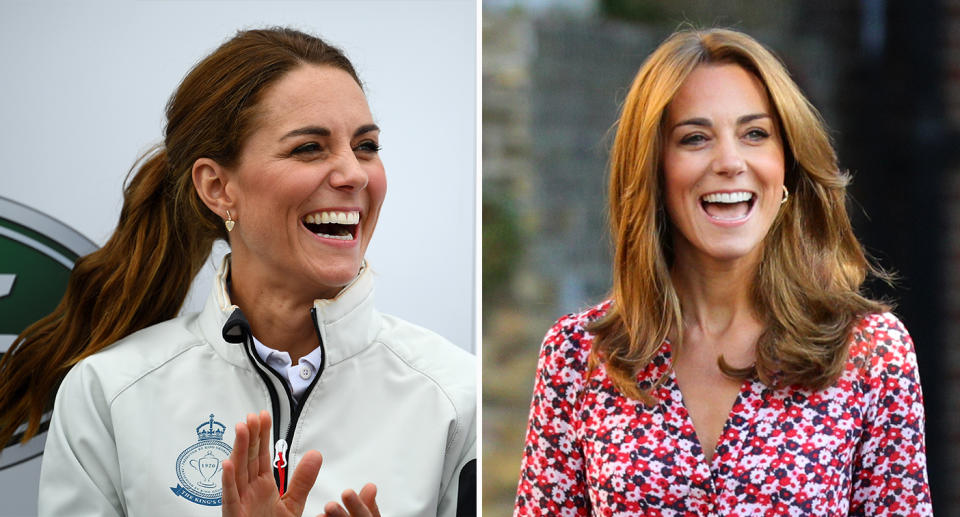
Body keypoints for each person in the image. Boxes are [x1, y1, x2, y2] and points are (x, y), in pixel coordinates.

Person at [0, 28, 475, 517]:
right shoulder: (109, 393)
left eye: (366, 146)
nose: (354, 173)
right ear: (218, 187)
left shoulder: (456, 396)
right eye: (309, 147)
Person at [514, 28, 931, 516]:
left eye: (755, 134)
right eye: (695, 138)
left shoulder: (870, 351)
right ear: (653, 170)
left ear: (787, 165)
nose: (730, 162)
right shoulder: (577, 357)